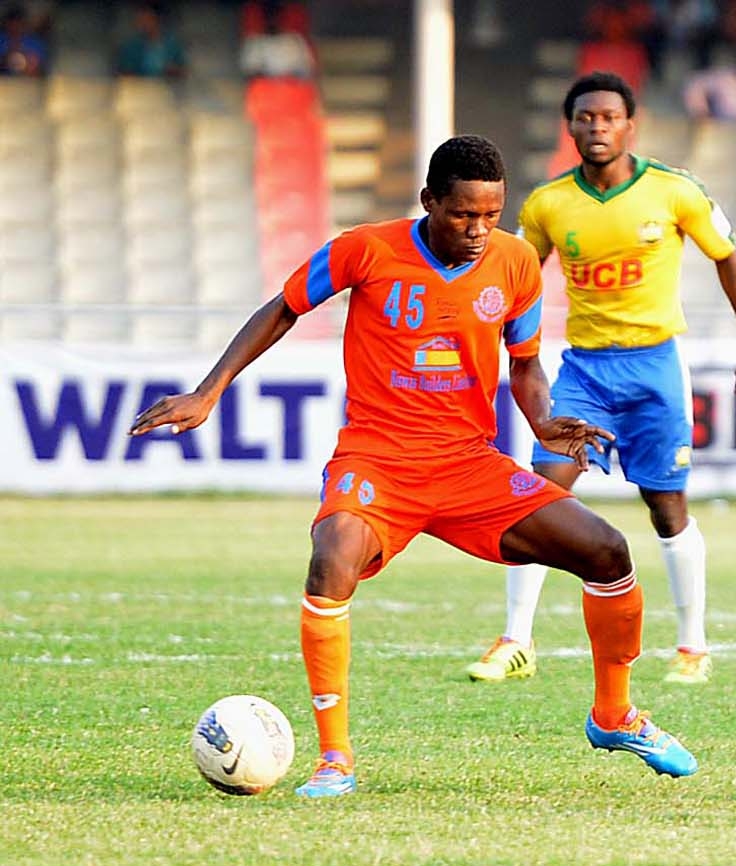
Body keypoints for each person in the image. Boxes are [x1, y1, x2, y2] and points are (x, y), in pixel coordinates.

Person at [128, 135, 698, 798]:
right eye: (463, 215)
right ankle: (334, 759)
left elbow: (524, 364)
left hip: (467, 463)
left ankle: (614, 714)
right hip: (378, 457)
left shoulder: (515, 262)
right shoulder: (364, 249)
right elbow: (283, 308)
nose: (479, 230)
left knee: (607, 551)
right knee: (332, 556)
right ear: (429, 201)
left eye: (491, 214)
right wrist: (209, 390)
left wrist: (543, 420)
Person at [467, 72, 736, 687]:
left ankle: (692, 646)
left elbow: (728, 258)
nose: (596, 127)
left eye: (608, 117)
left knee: (666, 506)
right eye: (585, 118)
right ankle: (516, 639)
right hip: (585, 371)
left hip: (656, 367)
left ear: (631, 124)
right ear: (570, 126)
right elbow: (522, 277)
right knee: (536, 495)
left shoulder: (675, 191)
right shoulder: (548, 204)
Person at [116, 2, 186, 79]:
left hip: (166, 87)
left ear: (157, 19)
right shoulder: (131, 46)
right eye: (140, 20)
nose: (143, 24)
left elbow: (182, 71)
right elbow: (123, 72)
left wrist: (174, 71)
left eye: (148, 19)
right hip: (139, 88)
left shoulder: (172, 45)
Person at [0, 5, 46, 76]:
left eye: (18, 24)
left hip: (27, 83)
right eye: (11, 24)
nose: (15, 28)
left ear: (24, 24)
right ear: (6, 24)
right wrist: (5, 61)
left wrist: (29, 64)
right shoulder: (1, 39)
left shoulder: (35, 42)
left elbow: (41, 70)